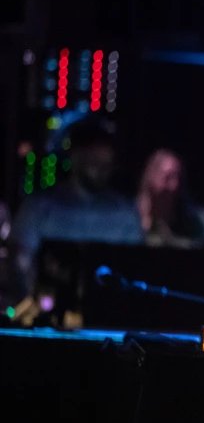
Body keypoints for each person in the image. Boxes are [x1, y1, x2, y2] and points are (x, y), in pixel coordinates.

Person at [8, 117, 143, 301]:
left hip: (108, 316)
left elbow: (134, 271)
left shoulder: (125, 214)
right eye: (94, 163)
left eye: (106, 165)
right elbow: (19, 267)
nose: (101, 172)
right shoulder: (39, 209)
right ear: (75, 157)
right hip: (49, 318)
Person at [137, 148, 204, 249]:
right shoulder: (131, 217)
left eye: (178, 178)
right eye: (167, 177)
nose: (175, 186)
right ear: (151, 177)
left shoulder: (200, 221)